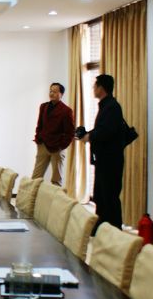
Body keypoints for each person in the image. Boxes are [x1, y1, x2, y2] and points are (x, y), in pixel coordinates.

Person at [77, 74, 127, 231]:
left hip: (111, 160)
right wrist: (88, 135)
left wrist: (89, 136)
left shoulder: (112, 107)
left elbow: (107, 131)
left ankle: (115, 230)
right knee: (100, 194)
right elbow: (101, 129)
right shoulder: (106, 105)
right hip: (103, 159)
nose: (93, 88)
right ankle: (102, 225)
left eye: (95, 86)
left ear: (101, 88)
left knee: (110, 196)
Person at [32, 82, 76, 186]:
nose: (51, 93)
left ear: (61, 94)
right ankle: (32, 196)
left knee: (56, 180)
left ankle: (56, 197)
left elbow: (70, 132)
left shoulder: (66, 111)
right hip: (43, 145)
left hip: (57, 148)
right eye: (50, 91)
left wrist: (61, 146)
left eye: (55, 92)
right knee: (35, 177)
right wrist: (38, 139)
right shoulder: (43, 106)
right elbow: (39, 125)